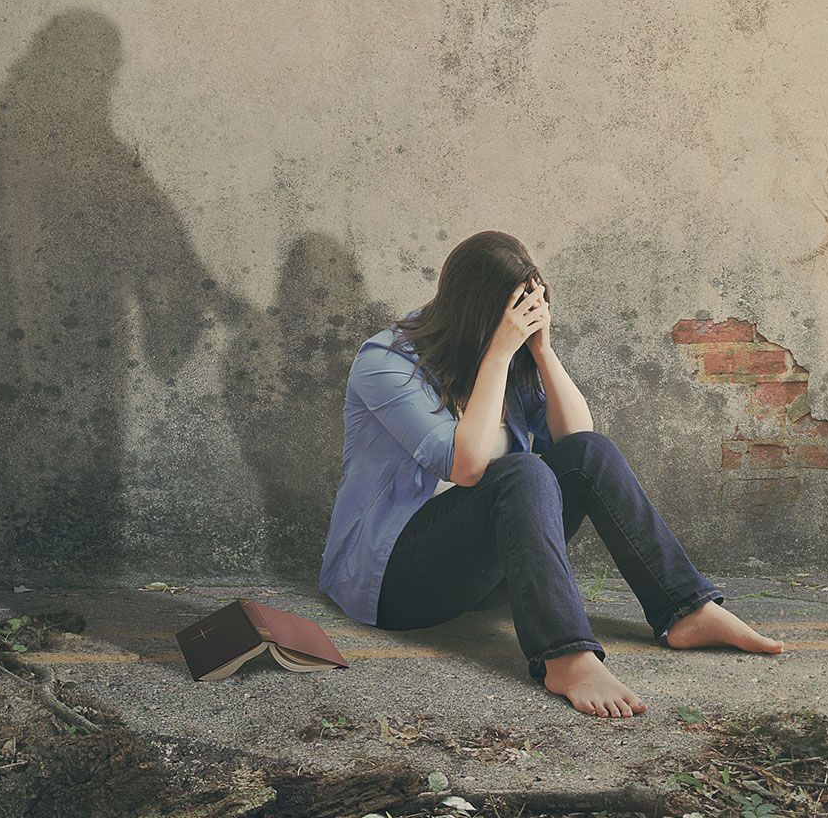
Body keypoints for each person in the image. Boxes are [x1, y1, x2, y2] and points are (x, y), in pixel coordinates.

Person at [317, 230, 785, 718]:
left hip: (482, 576)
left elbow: (579, 443)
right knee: (520, 471)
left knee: (591, 452)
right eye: (513, 316)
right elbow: (467, 466)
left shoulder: (519, 355)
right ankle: (564, 655)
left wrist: (542, 351)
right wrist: (498, 353)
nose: (520, 327)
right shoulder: (386, 362)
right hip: (393, 582)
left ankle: (686, 610)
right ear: (476, 312)